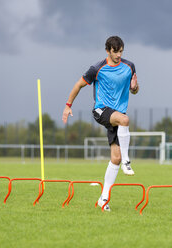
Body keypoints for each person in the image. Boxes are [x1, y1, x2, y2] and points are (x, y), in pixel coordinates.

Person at [62, 36, 139, 211]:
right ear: (107, 51)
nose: (118, 55)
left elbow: (134, 90)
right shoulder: (97, 68)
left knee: (115, 158)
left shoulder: (129, 67)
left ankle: (103, 199)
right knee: (125, 120)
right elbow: (78, 85)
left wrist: (134, 88)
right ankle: (128, 161)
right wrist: (68, 106)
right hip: (101, 111)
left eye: (121, 51)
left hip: (117, 116)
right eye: (115, 52)